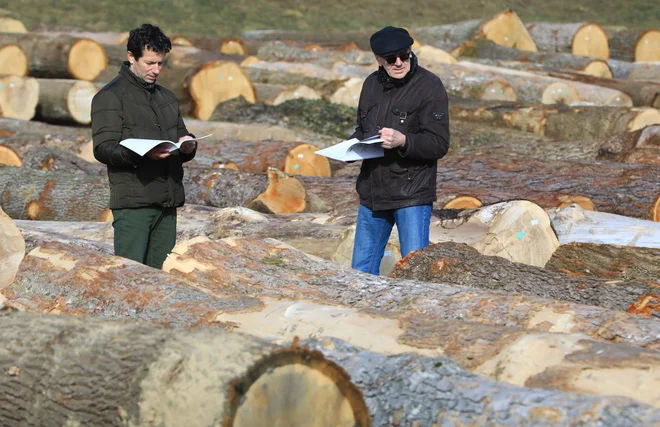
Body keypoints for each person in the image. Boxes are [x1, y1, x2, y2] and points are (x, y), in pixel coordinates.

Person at [91, 23, 197, 269]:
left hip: (167, 205)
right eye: (150, 63)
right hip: (134, 206)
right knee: (130, 279)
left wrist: (188, 147)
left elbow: (180, 137)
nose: (156, 70)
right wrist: (141, 153)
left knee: (162, 282)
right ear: (131, 57)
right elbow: (103, 148)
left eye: (161, 63)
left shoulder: (167, 98)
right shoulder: (110, 97)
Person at [350, 26, 450, 275]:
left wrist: (403, 141)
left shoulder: (429, 86)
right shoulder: (370, 84)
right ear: (378, 59)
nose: (399, 63)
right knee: (360, 273)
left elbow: (439, 143)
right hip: (372, 195)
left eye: (404, 56)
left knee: (415, 273)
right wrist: (351, 147)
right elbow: (363, 129)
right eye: (391, 59)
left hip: (411, 196)